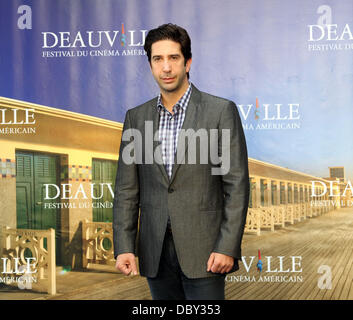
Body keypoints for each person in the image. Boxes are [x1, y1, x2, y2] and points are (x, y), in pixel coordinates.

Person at [113, 23, 249, 300]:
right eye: (157, 59)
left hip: (207, 251)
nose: (166, 67)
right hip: (155, 252)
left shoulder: (220, 112)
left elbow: (236, 186)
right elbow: (127, 190)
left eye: (173, 58)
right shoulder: (135, 118)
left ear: (187, 62)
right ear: (150, 65)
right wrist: (124, 246)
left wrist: (227, 246)